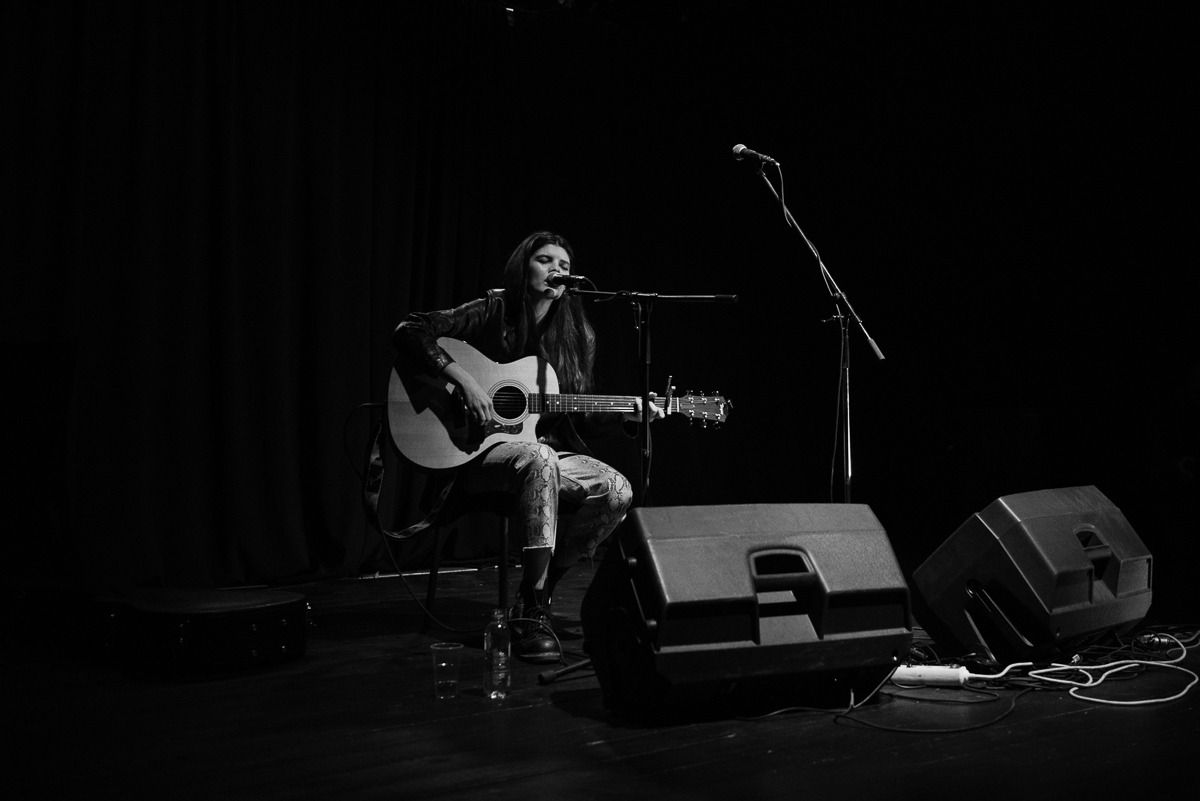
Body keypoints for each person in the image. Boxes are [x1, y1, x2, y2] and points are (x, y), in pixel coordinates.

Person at [392, 231, 663, 663]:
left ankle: (538, 590)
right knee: (541, 457)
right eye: (545, 260)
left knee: (616, 490)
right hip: (475, 452)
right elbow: (412, 329)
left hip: (539, 450)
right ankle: (536, 610)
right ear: (524, 266)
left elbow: (576, 414)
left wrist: (628, 415)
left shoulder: (577, 337)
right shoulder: (493, 310)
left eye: (565, 266)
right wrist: (465, 381)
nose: (557, 270)